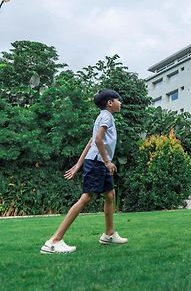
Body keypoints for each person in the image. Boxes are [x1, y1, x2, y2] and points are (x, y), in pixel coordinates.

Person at [40, 89, 128, 254]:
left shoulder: (104, 117)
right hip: (97, 163)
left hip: (97, 161)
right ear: (110, 103)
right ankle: (54, 241)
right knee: (86, 197)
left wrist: (78, 164)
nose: (120, 103)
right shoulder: (106, 117)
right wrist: (108, 161)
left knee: (110, 194)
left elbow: (91, 142)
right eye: (118, 100)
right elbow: (98, 140)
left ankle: (109, 234)